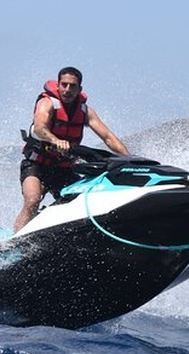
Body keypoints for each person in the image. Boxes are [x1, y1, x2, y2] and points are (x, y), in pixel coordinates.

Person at [13, 67, 130, 232]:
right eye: (64, 85)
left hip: (64, 168)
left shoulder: (85, 111)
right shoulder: (47, 103)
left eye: (72, 86)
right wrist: (55, 140)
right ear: (58, 85)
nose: (67, 90)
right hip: (36, 165)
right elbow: (39, 127)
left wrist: (129, 159)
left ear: (79, 89)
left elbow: (108, 137)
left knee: (81, 202)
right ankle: (15, 240)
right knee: (32, 200)